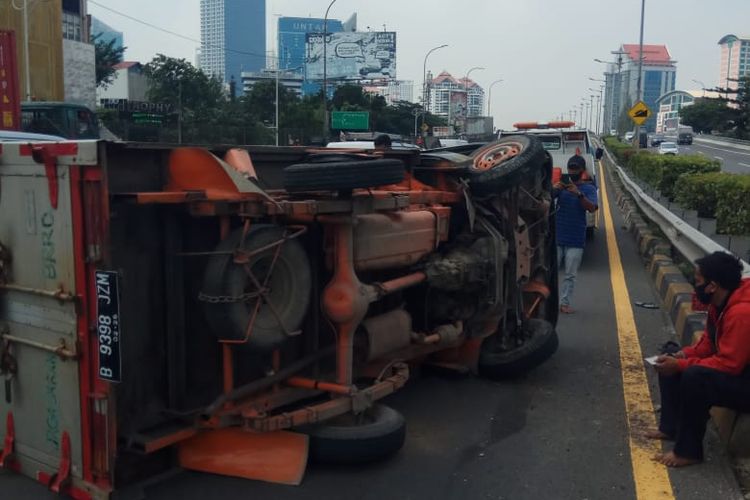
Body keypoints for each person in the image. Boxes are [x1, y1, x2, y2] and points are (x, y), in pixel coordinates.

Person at [649, 252, 750, 467]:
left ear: (712, 285)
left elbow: (729, 364)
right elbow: (708, 344)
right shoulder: (720, 302)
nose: (695, 285)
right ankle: (670, 427)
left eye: (698, 281)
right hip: (738, 373)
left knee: (694, 376)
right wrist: (682, 355)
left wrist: (682, 365)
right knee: (670, 354)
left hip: (743, 380)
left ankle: (689, 451)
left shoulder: (742, 313)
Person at [554, 154, 598, 314]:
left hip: (575, 240)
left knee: (570, 275)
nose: (572, 173)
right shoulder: (562, 189)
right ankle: (549, 302)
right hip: (558, 237)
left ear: (582, 171)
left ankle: (564, 303)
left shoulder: (589, 189)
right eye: (570, 169)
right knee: (551, 273)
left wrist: (579, 194)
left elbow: (592, 208)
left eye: (575, 170)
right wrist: (554, 190)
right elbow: (546, 202)